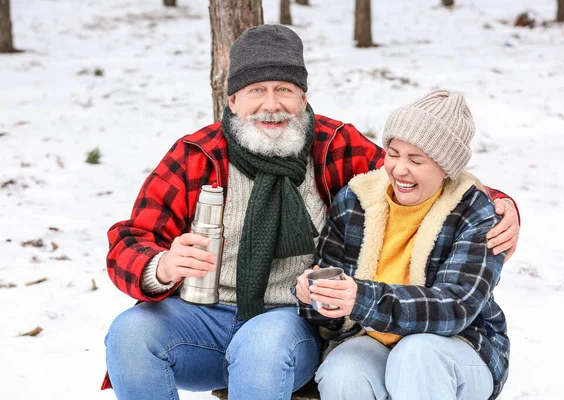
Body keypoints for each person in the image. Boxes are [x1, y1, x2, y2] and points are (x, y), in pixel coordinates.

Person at [102, 24, 519, 400]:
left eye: (284, 89)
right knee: (129, 334)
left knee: (262, 348)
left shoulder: (333, 144)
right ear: (232, 100)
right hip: (201, 316)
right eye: (256, 90)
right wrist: (162, 266)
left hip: (287, 319)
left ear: (303, 97)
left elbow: (417, 175)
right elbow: (130, 239)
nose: (272, 104)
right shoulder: (197, 155)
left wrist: (502, 204)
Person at [294, 90, 511, 400]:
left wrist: (361, 298)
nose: (398, 169)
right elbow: (329, 301)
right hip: (371, 339)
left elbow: (455, 306)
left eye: (416, 159)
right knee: (344, 370)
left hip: (459, 347)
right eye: (393, 153)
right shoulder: (357, 200)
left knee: (416, 354)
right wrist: (313, 296)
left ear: (446, 167)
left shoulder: (474, 212)